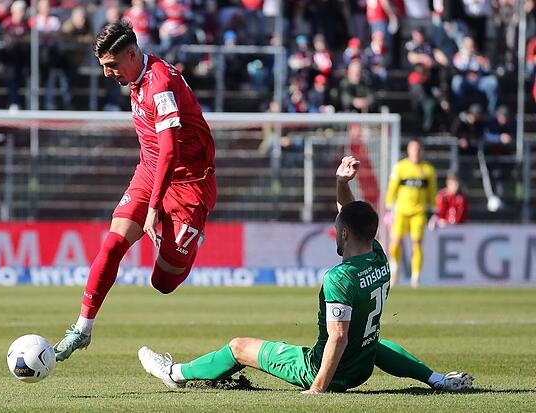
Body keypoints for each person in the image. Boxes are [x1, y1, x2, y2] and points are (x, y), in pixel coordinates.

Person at [137, 156, 473, 394]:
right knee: (373, 342)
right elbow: (352, 215)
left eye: (337, 227)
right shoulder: (378, 256)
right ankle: (437, 379)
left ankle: (174, 373)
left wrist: (317, 388)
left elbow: (338, 338)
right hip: (361, 365)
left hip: (326, 369)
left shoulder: (339, 277)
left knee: (239, 347)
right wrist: (342, 184)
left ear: (343, 235)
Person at [53, 20, 217, 361]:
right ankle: (82, 328)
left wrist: (155, 207)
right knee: (113, 243)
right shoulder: (136, 76)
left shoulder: (161, 84)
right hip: (149, 173)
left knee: (163, 282)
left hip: (188, 185)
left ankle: (191, 238)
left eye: (111, 66)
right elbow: (159, 153)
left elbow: (171, 151)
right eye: (103, 67)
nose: (107, 74)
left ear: (131, 54)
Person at [385, 139, 437, 288]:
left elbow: (432, 193)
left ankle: (416, 277)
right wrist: (388, 209)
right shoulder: (400, 168)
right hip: (400, 212)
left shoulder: (428, 170)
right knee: (394, 244)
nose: (416, 152)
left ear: (422, 151)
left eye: (419, 149)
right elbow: (392, 189)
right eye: (413, 149)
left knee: (417, 244)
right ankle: (395, 271)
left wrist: (434, 212)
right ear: (408, 150)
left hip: (419, 213)